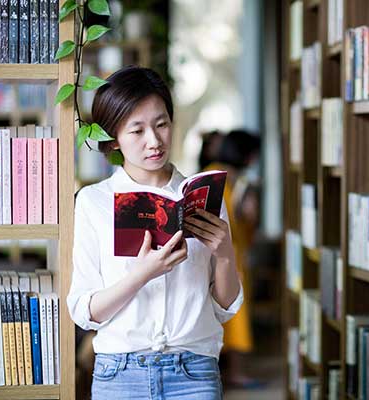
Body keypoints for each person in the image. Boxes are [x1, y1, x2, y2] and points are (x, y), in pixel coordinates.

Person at [67, 66, 244, 400]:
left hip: (194, 372)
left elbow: (225, 306)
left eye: (161, 124)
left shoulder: (203, 196)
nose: (154, 141)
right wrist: (142, 274)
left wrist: (225, 253)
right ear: (114, 137)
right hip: (120, 374)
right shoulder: (94, 202)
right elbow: (86, 311)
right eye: (137, 131)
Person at [203, 130, 261, 388]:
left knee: (234, 315)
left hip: (232, 256)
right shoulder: (218, 178)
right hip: (224, 259)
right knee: (233, 315)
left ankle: (232, 372)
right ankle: (234, 373)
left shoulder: (230, 178)